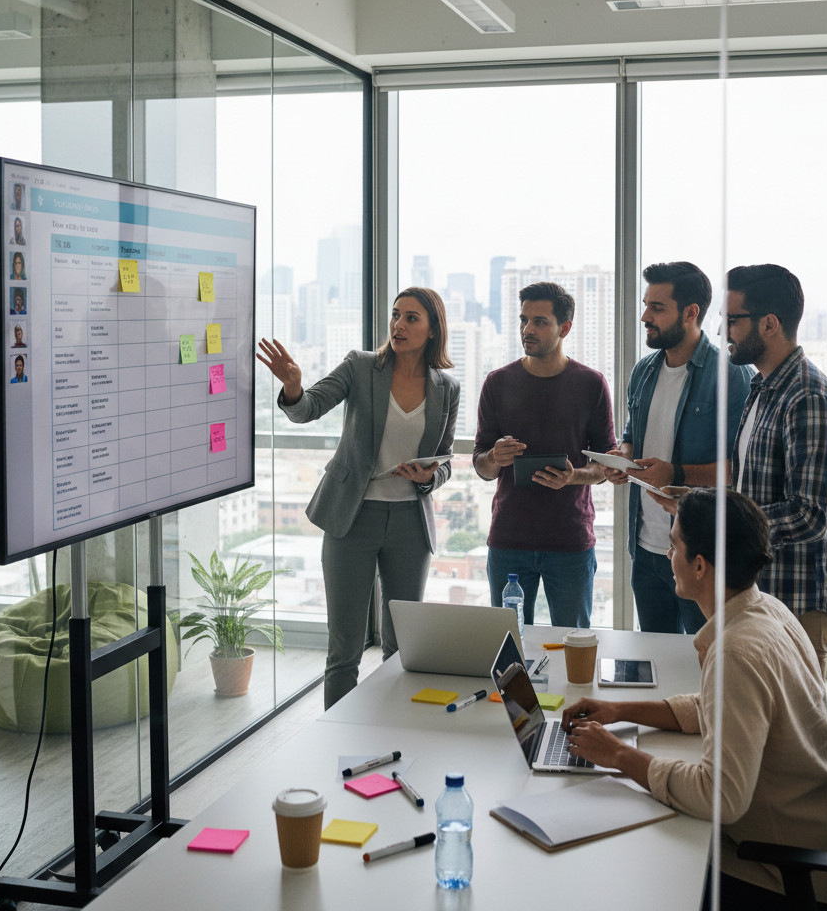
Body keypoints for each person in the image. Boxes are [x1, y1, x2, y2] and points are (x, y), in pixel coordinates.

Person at [562, 489, 827, 910]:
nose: (668, 555)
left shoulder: (736, 651)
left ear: (700, 565)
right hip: (825, 839)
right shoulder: (769, 610)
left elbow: (717, 795)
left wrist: (618, 756)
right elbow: (719, 709)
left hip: (797, 876)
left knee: (644, 856)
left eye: (674, 546)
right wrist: (619, 710)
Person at [257, 287, 460, 709]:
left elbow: (446, 461)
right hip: (353, 517)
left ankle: (392, 732)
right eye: (395, 315)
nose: (398, 325)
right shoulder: (360, 366)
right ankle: (338, 739)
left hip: (409, 523)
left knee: (401, 648)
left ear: (433, 329)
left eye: (411, 318)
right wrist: (294, 387)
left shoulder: (447, 387)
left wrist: (428, 477)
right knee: (344, 649)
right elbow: (308, 408)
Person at [605, 262, 752, 635]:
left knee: (704, 666)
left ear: (691, 313)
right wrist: (622, 456)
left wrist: (676, 473)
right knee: (654, 662)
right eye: (645, 305)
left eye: (657, 308)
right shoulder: (643, 371)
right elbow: (631, 433)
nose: (644, 317)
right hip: (645, 549)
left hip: (700, 556)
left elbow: (742, 466)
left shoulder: (731, 375)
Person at [725, 264, 827, 679]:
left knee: (797, 737)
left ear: (769, 324)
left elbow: (809, 513)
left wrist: (725, 523)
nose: (725, 330)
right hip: (768, 593)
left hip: (801, 601)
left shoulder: (809, 397)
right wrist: (699, 503)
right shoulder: (762, 388)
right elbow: (751, 490)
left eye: (733, 320)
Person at [473, 281, 615, 629]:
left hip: (570, 541)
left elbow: (605, 465)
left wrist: (574, 476)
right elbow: (481, 465)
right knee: (509, 649)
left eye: (539, 321)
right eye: (523, 320)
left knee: (575, 645)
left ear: (564, 327)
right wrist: (495, 457)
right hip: (509, 539)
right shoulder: (497, 382)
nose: (527, 330)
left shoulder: (591, 384)